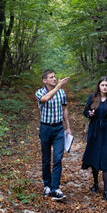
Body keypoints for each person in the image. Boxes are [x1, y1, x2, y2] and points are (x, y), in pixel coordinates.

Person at [81, 76, 107, 202]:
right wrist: (89, 114)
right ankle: (95, 183)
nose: (104, 87)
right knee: (94, 157)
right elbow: (85, 111)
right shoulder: (93, 97)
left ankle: (106, 191)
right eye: (102, 85)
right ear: (99, 86)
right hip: (94, 130)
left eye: (106, 85)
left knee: (106, 159)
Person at [35, 70, 71, 201]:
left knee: (57, 158)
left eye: (55, 77)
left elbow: (65, 109)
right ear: (45, 81)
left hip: (58, 129)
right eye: (51, 77)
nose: (54, 79)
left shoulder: (62, 93)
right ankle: (47, 186)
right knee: (46, 159)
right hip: (45, 128)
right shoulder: (40, 92)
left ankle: (56, 188)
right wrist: (58, 86)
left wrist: (68, 127)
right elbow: (45, 99)